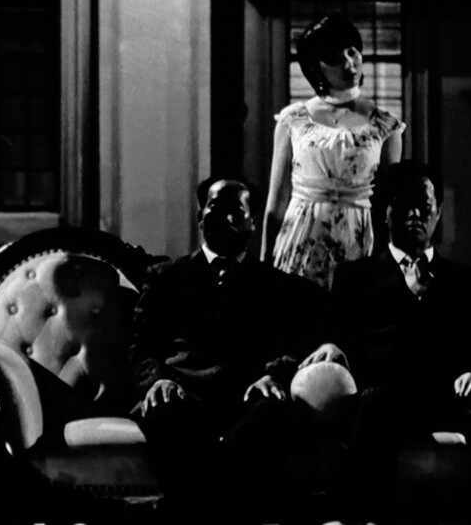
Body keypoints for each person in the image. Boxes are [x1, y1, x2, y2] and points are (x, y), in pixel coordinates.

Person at [305, 161, 471, 524]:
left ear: (438, 212)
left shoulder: (465, 281)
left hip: (449, 395)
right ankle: (366, 517)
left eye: (424, 206)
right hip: (388, 396)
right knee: (374, 404)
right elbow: (337, 331)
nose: (415, 214)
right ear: (385, 212)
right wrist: (332, 345)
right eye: (404, 205)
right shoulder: (356, 277)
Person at [126, 177, 327, 524]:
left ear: (252, 222)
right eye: (215, 208)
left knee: (277, 415)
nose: (224, 218)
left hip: (246, 399)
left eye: (236, 210)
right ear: (200, 218)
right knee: (166, 417)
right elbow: (140, 346)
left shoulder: (277, 286)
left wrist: (274, 374)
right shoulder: (165, 277)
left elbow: (300, 344)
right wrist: (156, 380)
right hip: (182, 395)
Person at [262, 13, 406, 289]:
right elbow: (275, 203)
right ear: (316, 68)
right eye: (334, 58)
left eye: (352, 52)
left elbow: (387, 207)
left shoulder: (385, 125)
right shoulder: (294, 120)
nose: (349, 64)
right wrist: (264, 264)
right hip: (300, 235)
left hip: (357, 239)